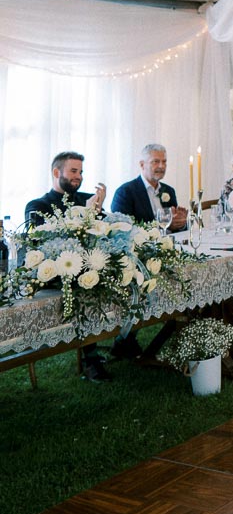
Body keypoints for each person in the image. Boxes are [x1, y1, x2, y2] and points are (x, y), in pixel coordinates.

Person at [25, 151, 110, 382]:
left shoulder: (88, 199)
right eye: (73, 171)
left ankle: (125, 340)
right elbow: (41, 243)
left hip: (89, 266)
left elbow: (105, 235)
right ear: (56, 172)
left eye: (81, 172)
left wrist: (99, 212)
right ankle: (91, 359)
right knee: (85, 285)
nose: (78, 177)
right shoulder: (38, 205)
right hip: (54, 273)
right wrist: (86, 214)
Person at [111, 143, 187, 231]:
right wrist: (165, 225)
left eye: (164, 162)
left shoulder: (169, 191)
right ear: (142, 165)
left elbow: (175, 227)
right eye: (156, 161)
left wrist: (181, 223)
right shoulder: (125, 192)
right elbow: (123, 230)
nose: (161, 166)